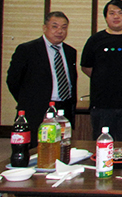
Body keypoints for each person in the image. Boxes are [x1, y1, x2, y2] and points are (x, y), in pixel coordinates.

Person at [7, 12, 77, 147]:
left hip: (63, 108)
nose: (60, 31)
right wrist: (28, 101)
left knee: (62, 147)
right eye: (55, 26)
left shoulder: (70, 52)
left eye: (64, 27)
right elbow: (13, 81)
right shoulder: (27, 50)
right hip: (36, 109)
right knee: (35, 149)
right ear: (44, 28)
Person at [81, 0, 122, 141]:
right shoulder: (95, 40)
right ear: (106, 17)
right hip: (102, 104)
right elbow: (86, 67)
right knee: (102, 145)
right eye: (112, 13)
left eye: (121, 13)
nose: (116, 16)